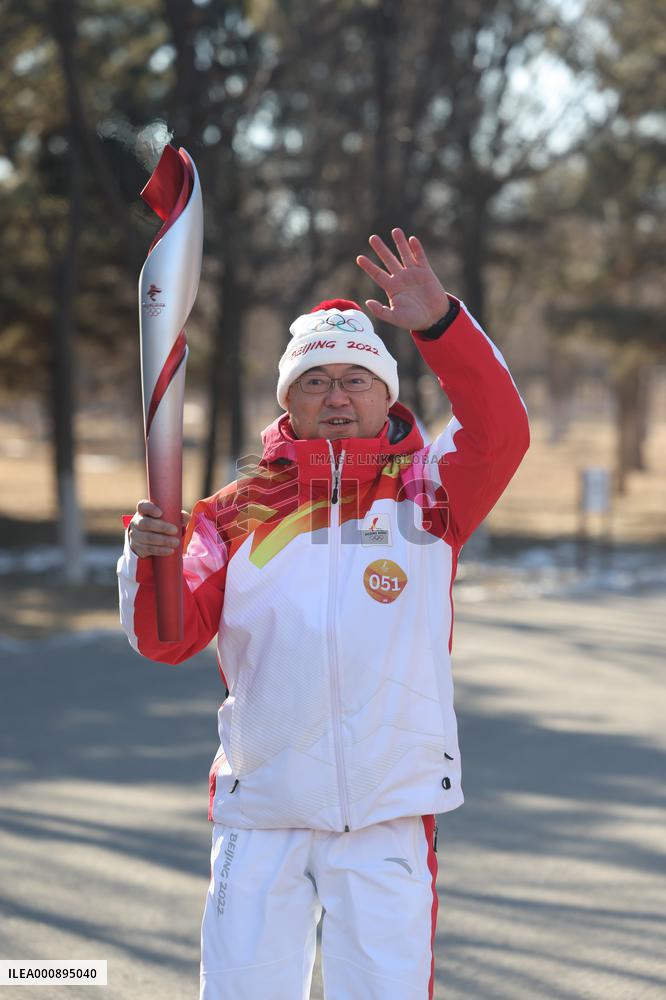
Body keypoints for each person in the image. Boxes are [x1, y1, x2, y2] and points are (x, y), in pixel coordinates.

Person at [118, 229, 529, 1000]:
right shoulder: (227, 517)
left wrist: (440, 325)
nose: (337, 395)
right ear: (288, 400)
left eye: (355, 380)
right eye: (315, 381)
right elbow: (166, 639)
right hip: (263, 811)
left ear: (386, 395)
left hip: (388, 815)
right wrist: (150, 560)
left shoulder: (428, 496)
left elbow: (503, 429)